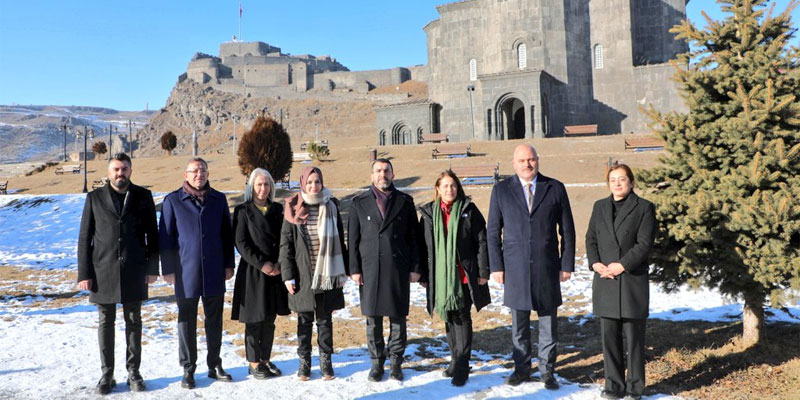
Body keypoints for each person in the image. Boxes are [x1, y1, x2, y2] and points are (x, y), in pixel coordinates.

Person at [487, 144, 576, 389]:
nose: (527, 164)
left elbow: (566, 230)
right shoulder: (501, 190)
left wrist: (566, 263)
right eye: (522, 160)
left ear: (538, 160)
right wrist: (496, 266)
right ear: (514, 164)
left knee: (548, 323)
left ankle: (547, 371)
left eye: (531, 159)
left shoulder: (555, 188)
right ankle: (521, 369)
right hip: (514, 269)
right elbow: (493, 231)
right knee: (519, 325)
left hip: (547, 267)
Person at [77, 152, 159, 395]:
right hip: (102, 272)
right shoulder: (94, 198)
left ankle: (134, 372)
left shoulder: (143, 196)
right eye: (115, 169)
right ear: (108, 172)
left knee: (134, 322)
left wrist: (152, 269)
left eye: (124, 169)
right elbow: (85, 238)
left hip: (134, 270)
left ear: (130, 170)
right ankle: (107, 374)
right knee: (106, 323)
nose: (120, 173)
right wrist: (84, 273)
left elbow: (152, 236)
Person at [159, 157, 235, 389]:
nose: (199, 174)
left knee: (214, 320)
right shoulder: (173, 201)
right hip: (185, 272)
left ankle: (214, 364)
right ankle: (188, 369)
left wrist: (228, 265)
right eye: (194, 171)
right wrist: (168, 269)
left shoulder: (218, 200)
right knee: (186, 321)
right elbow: (166, 238)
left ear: (208, 173)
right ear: (186, 175)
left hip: (214, 270)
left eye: (202, 170)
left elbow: (226, 235)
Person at [585, 164, 656, 400]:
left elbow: (644, 244)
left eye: (622, 179)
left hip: (631, 280)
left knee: (634, 339)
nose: (617, 183)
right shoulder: (599, 206)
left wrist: (622, 265)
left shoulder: (644, 208)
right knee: (609, 338)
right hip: (605, 279)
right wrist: (595, 264)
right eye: (612, 179)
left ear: (631, 183)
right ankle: (613, 385)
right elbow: (591, 238)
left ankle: (635, 387)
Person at [348, 158, 421, 382]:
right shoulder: (359, 203)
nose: (383, 175)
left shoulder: (405, 202)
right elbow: (352, 239)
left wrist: (415, 268)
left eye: (386, 170)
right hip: (369, 269)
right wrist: (354, 268)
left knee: (398, 318)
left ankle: (396, 363)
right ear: (372, 176)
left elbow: (414, 238)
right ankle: (377, 364)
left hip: (398, 268)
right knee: (373, 319)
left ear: (393, 174)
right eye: (378, 171)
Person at [418, 170, 491, 387]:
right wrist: (423, 274)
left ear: (458, 188)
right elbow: (424, 247)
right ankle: (454, 359)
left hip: (464, 275)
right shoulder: (430, 214)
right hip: (440, 277)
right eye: (445, 186)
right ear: (437, 189)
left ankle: (462, 364)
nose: (450, 190)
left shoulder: (469, 210)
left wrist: (483, 272)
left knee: (462, 318)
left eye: (453, 186)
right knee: (448, 318)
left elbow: (482, 241)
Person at [279, 166, 349, 381]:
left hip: (328, 272)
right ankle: (304, 361)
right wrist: (287, 275)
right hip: (303, 274)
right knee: (304, 320)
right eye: (309, 182)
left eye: (317, 181)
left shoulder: (331, 206)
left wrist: (343, 271)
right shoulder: (292, 209)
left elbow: (340, 239)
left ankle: (326, 361)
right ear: (302, 184)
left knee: (325, 320)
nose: (313, 186)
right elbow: (286, 245)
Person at [231, 168, 289, 380]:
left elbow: (285, 239)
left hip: (275, 271)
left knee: (269, 318)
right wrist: (262, 264)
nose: (263, 189)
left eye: (267, 185)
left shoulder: (277, 210)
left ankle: (265, 359)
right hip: (254, 272)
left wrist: (280, 263)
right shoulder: (243, 211)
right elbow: (241, 243)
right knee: (255, 319)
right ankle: (254, 362)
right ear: (252, 187)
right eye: (259, 184)